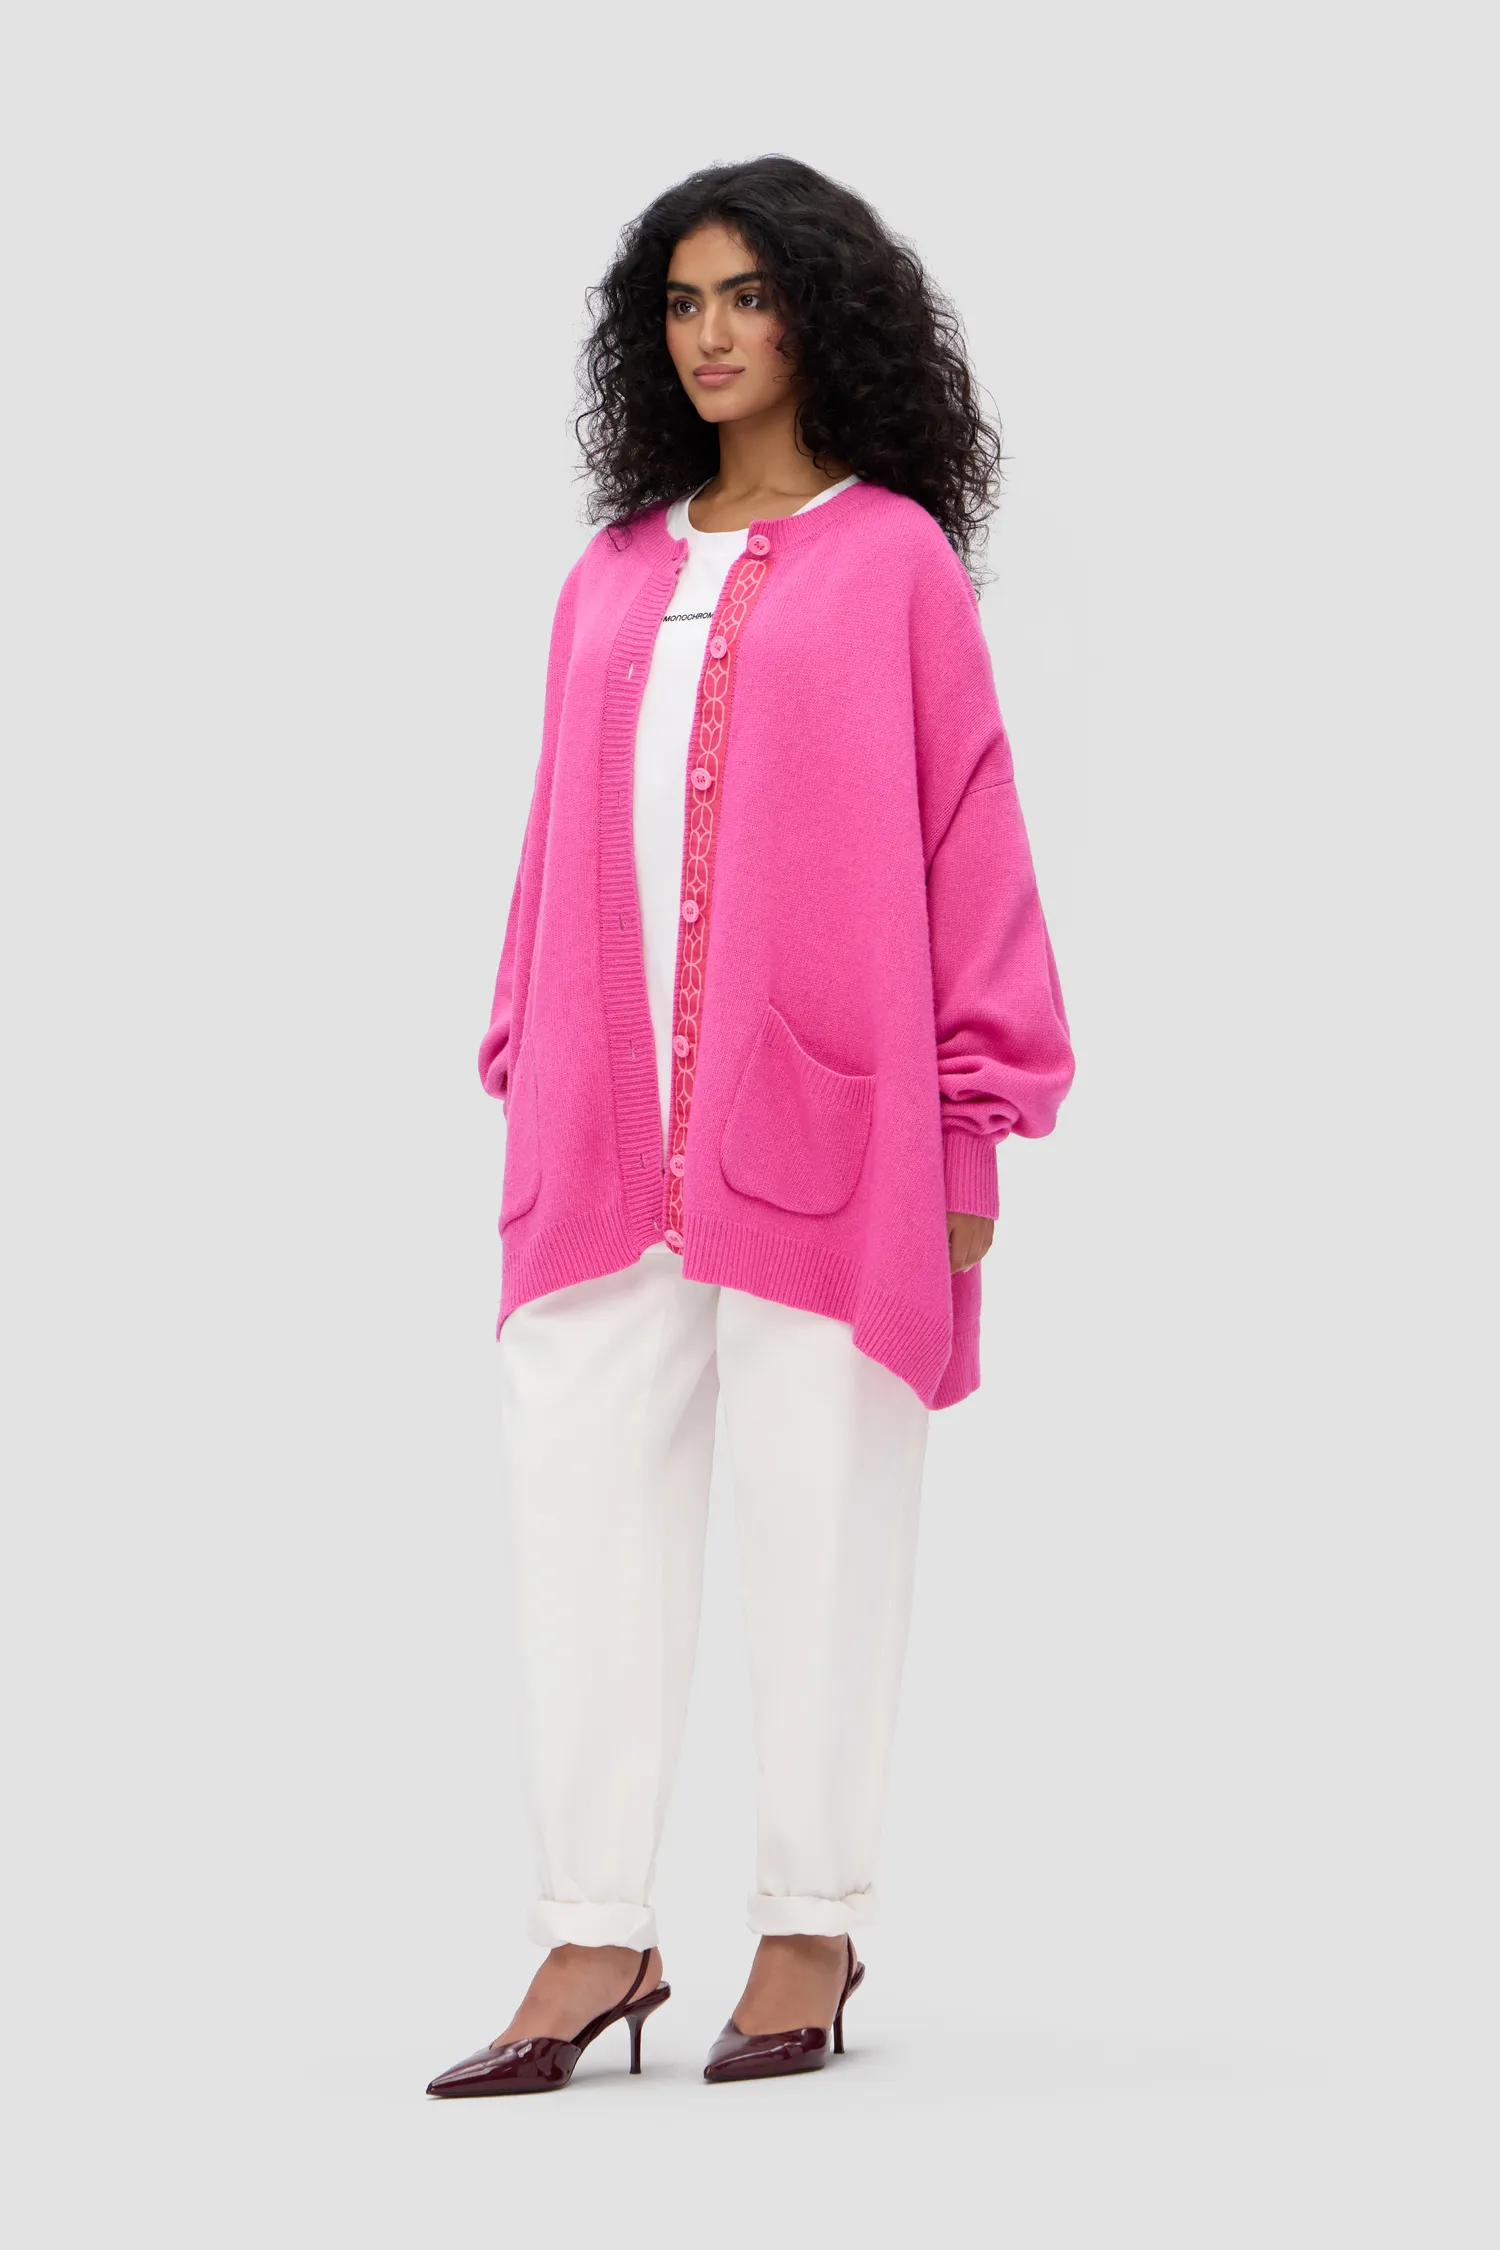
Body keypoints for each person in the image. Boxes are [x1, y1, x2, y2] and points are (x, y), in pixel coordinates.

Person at [426, 154, 1075, 2097]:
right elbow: (553, 836)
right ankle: (592, 1932)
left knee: (823, 1521)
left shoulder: (893, 564)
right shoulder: (611, 572)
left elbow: (968, 839)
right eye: (682, 302)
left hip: (829, 1127)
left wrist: (971, 1135)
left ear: (821, 314)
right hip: (600, 1134)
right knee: (577, 1523)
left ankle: (810, 1915)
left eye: (747, 295)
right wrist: (526, 1049)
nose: (711, 334)